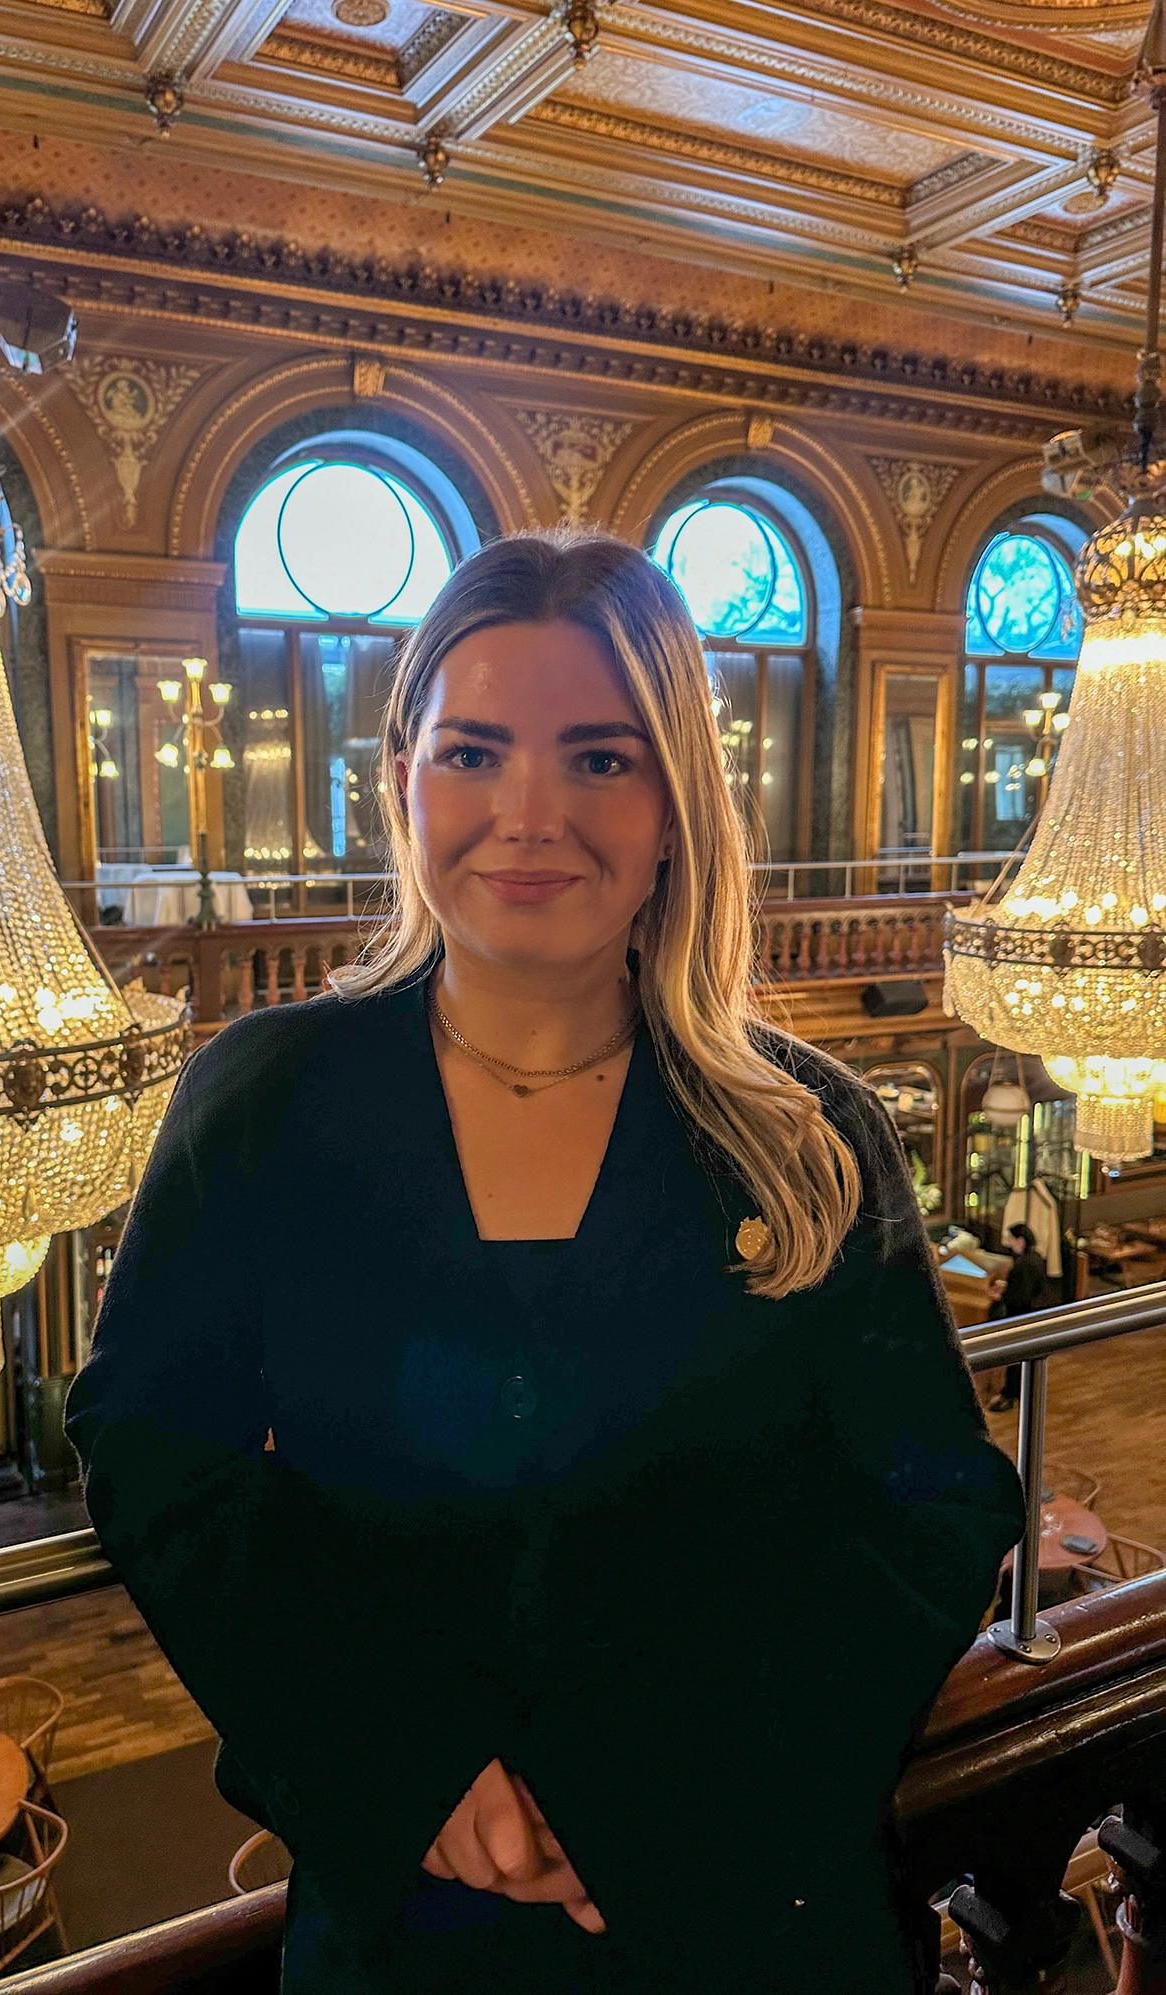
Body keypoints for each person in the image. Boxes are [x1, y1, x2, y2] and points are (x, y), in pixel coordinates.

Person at [65, 531, 1026, 1995]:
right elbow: (156, 1455)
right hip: (409, 1930)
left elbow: (936, 1506)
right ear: (401, 780)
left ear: (675, 807)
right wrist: (402, 1754)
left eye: (599, 759)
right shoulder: (261, 1102)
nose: (529, 816)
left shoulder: (808, 1131)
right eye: (473, 752)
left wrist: (680, 1787)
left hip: (747, 1907)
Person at [984, 1221, 1050, 1413]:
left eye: (1012, 1239)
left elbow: (1018, 1297)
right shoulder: (1036, 1258)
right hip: (1034, 1315)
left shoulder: (1022, 1265)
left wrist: (999, 1296)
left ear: (1020, 1241)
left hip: (1020, 1317)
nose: (1010, 1243)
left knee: (1015, 1359)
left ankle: (1010, 1394)